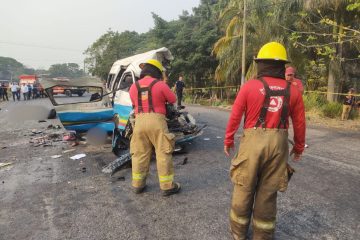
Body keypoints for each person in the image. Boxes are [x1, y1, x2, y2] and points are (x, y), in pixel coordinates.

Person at [224, 42, 306, 240]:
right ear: (282, 66)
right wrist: (298, 146)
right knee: (268, 192)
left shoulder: (249, 86)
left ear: (260, 64)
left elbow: (235, 116)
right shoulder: (294, 90)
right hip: (279, 145)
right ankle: (262, 235)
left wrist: (228, 139)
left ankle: (238, 232)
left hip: (252, 144)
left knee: (244, 187)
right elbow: (300, 122)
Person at [128, 59, 180, 196]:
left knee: (139, 153)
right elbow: (173, 99)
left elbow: (134, 103)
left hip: (139, 122)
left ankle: (138, 185)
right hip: (157, 121)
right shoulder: (160, 85)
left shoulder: (133, 87)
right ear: (157, 72)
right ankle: (167, 186)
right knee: (163, 153)